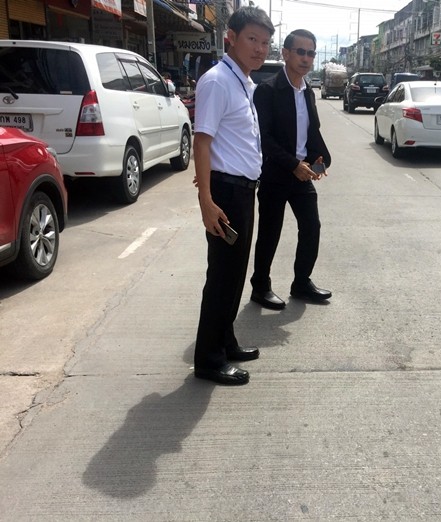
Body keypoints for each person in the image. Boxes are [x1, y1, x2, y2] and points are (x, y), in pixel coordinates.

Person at [192, 6, 274, 385]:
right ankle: (209, 360)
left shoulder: (242, 81)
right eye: (252, 39)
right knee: (222, 278)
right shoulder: (217, 81)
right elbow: (203, 140)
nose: (259, 48)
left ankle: (225, 342)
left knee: (234, 275)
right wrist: (207, 200)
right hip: (226, 193)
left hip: (242, 190)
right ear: (232, 37)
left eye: (265, 41)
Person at [249, 29, 332, 310]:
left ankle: (301, 283)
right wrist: (292, 164)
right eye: (301, 52)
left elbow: (312, 133)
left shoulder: (308, 91)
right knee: (270, 232)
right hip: (276, 173)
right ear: (285, 53)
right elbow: (264, 137)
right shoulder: (268, 90)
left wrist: (320, 161)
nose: (306, 58)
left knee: (312, 227)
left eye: (311, 53)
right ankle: (260, 286)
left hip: (302, 172)